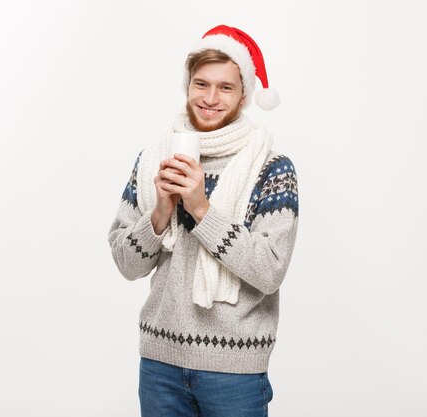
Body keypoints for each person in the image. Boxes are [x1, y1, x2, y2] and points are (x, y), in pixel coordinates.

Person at [108, 24, 299, 417]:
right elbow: (127, 266)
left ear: (244, 93)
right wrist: (160, 211)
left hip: (234, 373)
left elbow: (269, 271)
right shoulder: (152, 161)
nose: (210, 99)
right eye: (201, 84)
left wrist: (201, 209)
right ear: (188, 86)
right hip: (160, 364)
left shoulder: (272, 169)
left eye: (225, 87)